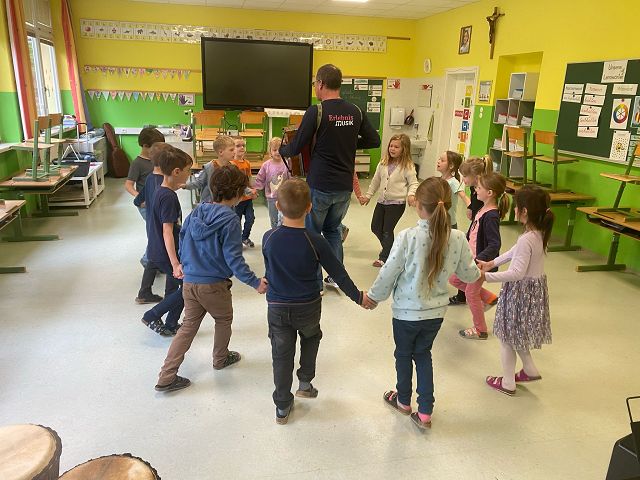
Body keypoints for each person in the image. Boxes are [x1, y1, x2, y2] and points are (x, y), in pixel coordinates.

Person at [367, 177, 480, 430]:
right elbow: (469, 274)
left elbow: (389, 272)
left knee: (403, 354)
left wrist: (374, 297)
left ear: (418, 205)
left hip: (405, 314)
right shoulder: (458, 238)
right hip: (435, 314)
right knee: (423, 355)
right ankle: (425, 412)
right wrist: (479, 270)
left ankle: (403, 401)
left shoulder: (407, 237)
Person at [262, 178, 376, 425]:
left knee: (281, 354)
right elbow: (338, 274)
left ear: (278, 207)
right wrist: (359, 297)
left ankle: (282, 405)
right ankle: (305, 383)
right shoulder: (317, 241)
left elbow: (270, 270)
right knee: (311, 337)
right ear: (309, 208)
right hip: (308, 307)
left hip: (278, 307)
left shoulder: (269, 238)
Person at [155, 166, 268, 393]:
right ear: (237, 193)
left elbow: (183, 239)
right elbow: (234, 259)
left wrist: (182, 264)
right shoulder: (230, 220)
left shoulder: (196, 212)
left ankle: (166, 376)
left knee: (188, 326)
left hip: (190, 282)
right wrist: (255, 282)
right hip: (214, 285)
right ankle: (220, 358)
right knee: (223, 319)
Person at [279, 64, 381, 289]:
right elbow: (374, 140)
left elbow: (296, 147)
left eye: (315, 83)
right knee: (333, 230)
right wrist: (348, 144)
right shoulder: (356, 110)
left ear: (321, 84)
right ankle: (336, 277)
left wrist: (280, 150)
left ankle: (315, 283)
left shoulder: (316, 111)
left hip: (320, 184)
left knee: (312, 232)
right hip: (344, 187)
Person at [478, 185, 554, 396]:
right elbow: (514, 252)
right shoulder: (538, 233)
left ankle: (508, 382)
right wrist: (492, 262)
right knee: (515, 334)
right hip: (532, 294)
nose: (514, 210)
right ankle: (529, 369)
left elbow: (516, 273)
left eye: (516, 207)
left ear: (524, 211)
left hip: (520, 294)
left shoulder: (526, 239)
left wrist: (486, 276)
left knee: (506, 339)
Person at [449, 172, 508, 340]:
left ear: (490, 193)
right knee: (454, 279)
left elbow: (494, 244)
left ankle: (480, 329)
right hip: (471, 258)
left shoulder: (491, 216)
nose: (475, 191)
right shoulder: (483, 209)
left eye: (479, 188)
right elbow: (473, 232)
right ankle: (489, 298)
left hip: (480, 262)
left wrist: (479, 259)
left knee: (471, 294)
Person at [141, 146, 192, 336]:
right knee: (188, 287)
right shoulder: (169, 197)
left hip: (158, 250)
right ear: (176, 172)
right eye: (188, 171)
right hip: (166, 253)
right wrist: (175, 263)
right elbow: (167, 231)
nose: (189, 175)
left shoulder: (161, 191)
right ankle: (152, 315)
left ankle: (171, 323)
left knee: (177, 287)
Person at [362, 134, 419, 267]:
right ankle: (394, 250)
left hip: (396, 204)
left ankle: (385, 257)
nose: (392, 149)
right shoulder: (383, 163)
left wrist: (411, 195)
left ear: (404, 149)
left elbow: (413, 183)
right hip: (382, 202)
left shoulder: (408, 166)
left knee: (387, 230)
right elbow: (376, 181)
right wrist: (368, 195)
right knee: (375, 227)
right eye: (391, 146)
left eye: (396, 147)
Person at [133, 144, 176, 304]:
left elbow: (138, 200)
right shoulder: (163, 184)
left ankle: (144, 292)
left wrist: (150, 204)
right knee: (172, 263)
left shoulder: (151, 178)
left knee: (152, 257)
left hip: (152, 224)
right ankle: (171, 298)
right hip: (164, 227)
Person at [449, 156, 492, 306]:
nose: (463, 180)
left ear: (477, 177)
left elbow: (482, 211)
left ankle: (481, 297)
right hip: (474, 229)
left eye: (465, 176)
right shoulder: (475, 188)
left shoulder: (483, 192)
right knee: (464, 264)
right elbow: (474, 205)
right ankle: (463, 296)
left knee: (468, 265)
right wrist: (470, 208)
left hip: (478, 234)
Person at [125, 127, 166, 218]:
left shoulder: (158, 159)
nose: (160, 151)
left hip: (159, 200)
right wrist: (139, 197)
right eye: (157, 148)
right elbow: (128, 185)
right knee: (154, 225)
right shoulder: (137, 163)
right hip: (146, 204)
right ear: (145, 146)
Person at [184, 135, 235, 204]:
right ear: (220, 152)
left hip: (226, 204)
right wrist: (185, 185)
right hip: (210, 204)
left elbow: (237, 183)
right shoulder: (209, 167)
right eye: (231, 150)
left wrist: (247, 191)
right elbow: (199, 182)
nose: (234, 152)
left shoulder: (233, 167)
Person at [254, 137, 290, 229]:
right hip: (272, 197)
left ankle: (283, 233)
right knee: (274, 219)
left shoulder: (287, 163)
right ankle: (274, 233)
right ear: (270, 151)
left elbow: (291, 178)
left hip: (285, 197)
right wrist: (256, 189)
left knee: (284, 219)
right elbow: (260, 178)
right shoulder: (266, 165)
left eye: (280, 150)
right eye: (274, 150)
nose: (277, 152)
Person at [231, 137, 257, 248]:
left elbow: (249, 178)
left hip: (248, 199)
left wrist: (253, 190)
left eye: (243, 145)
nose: (241, 148)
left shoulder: (247, 163)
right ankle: (236, 241)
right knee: (236, 221)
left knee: (250, 218)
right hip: (238, 199)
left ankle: (245, 237)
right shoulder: (232, 164)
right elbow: (235, 182)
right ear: (232, 149)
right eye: (238, 146)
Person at [435, 151, 465, 229]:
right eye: (439, 159)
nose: (438, 161)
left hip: (449, 223)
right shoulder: (439, 180)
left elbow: (463, 196)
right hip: (438, 220)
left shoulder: (453, 182)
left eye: (442, 160)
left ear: (451, 166)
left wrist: (470, 207)